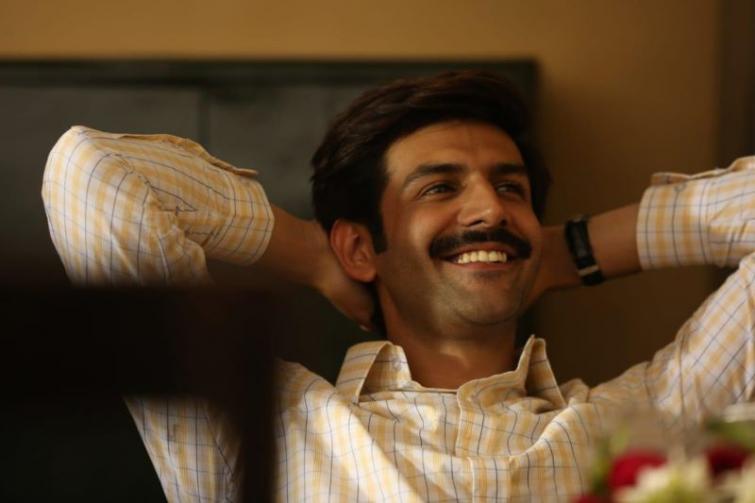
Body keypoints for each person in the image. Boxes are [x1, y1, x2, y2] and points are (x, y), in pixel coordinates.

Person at [42, 71, 754, 502]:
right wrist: (319, 258)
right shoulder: (263, 424)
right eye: (440, 188)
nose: (489, 208)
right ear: (361, 245)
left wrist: (566, 250)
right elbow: (94, 173)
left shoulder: (648, 422)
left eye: (509, 188)